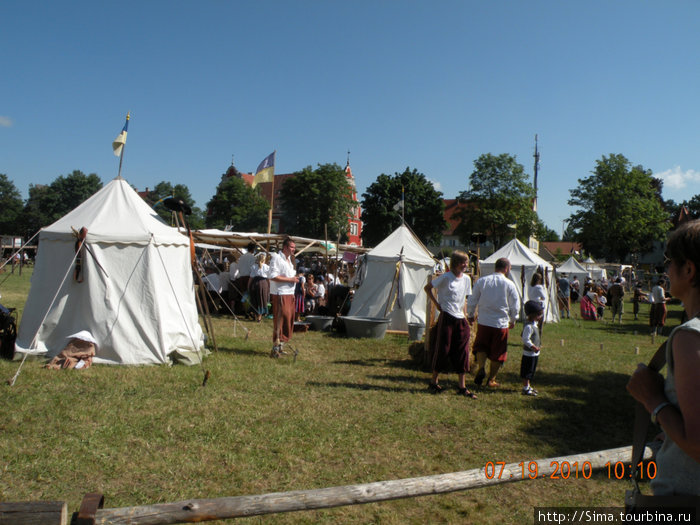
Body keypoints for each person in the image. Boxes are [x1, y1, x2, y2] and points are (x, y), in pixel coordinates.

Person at [626, 219, 700, 497]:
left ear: (689, 269)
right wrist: (673, 429)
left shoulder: (690, 337)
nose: (666, 270)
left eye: (670, 261)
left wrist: (652, 400)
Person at [424, 250, 476, 399]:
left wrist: (466, 317)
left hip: (460, 319)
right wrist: (437, 304)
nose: (465, 265)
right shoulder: (446, 277)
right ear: (455, 263)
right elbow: (428, 288)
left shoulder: (466, 279)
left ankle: (462, 386)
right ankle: (433, 381)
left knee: (462, 352)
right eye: (463, 262)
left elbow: (464, 299)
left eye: (466, 262)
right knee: (443, 349)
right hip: (447, 317)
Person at [467, 257, 520, 388]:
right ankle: (491, 379)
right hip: (500, 323)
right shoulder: (509, 284)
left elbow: (472, 299)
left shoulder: (482, 281)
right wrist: (513, 319)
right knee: (499, 353)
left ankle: (481, 368)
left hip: (484, 321)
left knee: (481, 347)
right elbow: (515, 305)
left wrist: (470, 314)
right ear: (506, 268)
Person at [268, 238, 299, 357]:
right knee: (280, 320)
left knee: (288, 320)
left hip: (290, 293)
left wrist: (294, 279)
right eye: (291, 247)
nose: (293, 250)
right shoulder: (277, 258)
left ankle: (281, 346)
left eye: (294, 248)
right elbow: (272, 276)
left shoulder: (289, 260)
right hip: (280, 293)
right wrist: (291, 279)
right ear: (285, 247)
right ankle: (275, 347)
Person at [521, 300, 544, 396]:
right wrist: (533, 346)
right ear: (533, 315)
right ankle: (525, 388)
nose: (540, 317)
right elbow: (525, 339)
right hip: (529, 354)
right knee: (527, 371)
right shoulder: (529, 327)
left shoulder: (534, 325)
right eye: (539, 315)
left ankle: (528, 386)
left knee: (532, 370)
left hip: (534, 353)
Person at [248, 252, 270, 322]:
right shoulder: (267, 267)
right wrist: (269, 286)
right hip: (263, 283)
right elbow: (268, 278)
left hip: (255, 283)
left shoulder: (254, 266)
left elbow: (251, 278)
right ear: (264, 259)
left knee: (255, 299)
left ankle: (255, 314)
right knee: (262, 299)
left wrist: (248, 286)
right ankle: (259, 317)